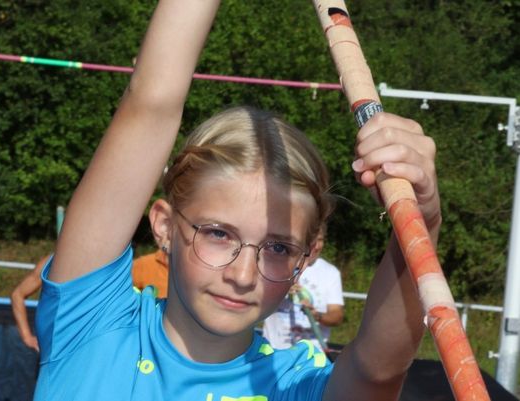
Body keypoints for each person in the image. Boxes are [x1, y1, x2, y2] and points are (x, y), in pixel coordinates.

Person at [33, 1, 440, 400]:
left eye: (278, 247)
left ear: (305, 259)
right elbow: (151, 102)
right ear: (164, 226)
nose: (244, 275)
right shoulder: (88, 322)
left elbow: (379, 370)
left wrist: (421, 218)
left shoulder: (295, 389)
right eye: (217, 234)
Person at [11, 247, 168, 351]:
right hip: (55, 349)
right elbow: (17, 295)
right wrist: (27, 337)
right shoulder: (53, 261)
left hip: (91, 349)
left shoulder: (107, 265)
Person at [262, 229, 344, 351]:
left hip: (311, 357)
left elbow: (337, 316)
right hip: (273, 352)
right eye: (311, 240)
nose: (315, 245)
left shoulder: (331, 272)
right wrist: (281, 288)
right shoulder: (278, 262)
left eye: (320, 240)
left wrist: (317, 315)